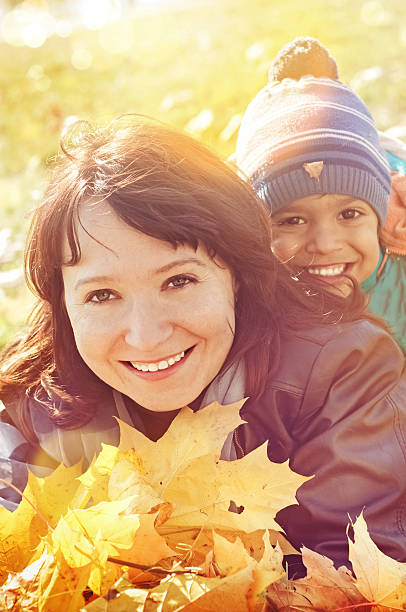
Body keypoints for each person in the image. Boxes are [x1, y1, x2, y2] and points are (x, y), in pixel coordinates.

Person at [1, 116, 406, 576]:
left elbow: (357, 575)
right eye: (102, 295)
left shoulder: (341, 369)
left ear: (237, 276)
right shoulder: (35, 396)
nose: (146, 336)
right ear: (63, 302)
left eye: (179, 281)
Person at [235, 36, 406, 352]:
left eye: (349, 214)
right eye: (293, 220)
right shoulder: (240, 295)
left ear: (379, 216)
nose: (326, 244)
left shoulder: (400, 271)